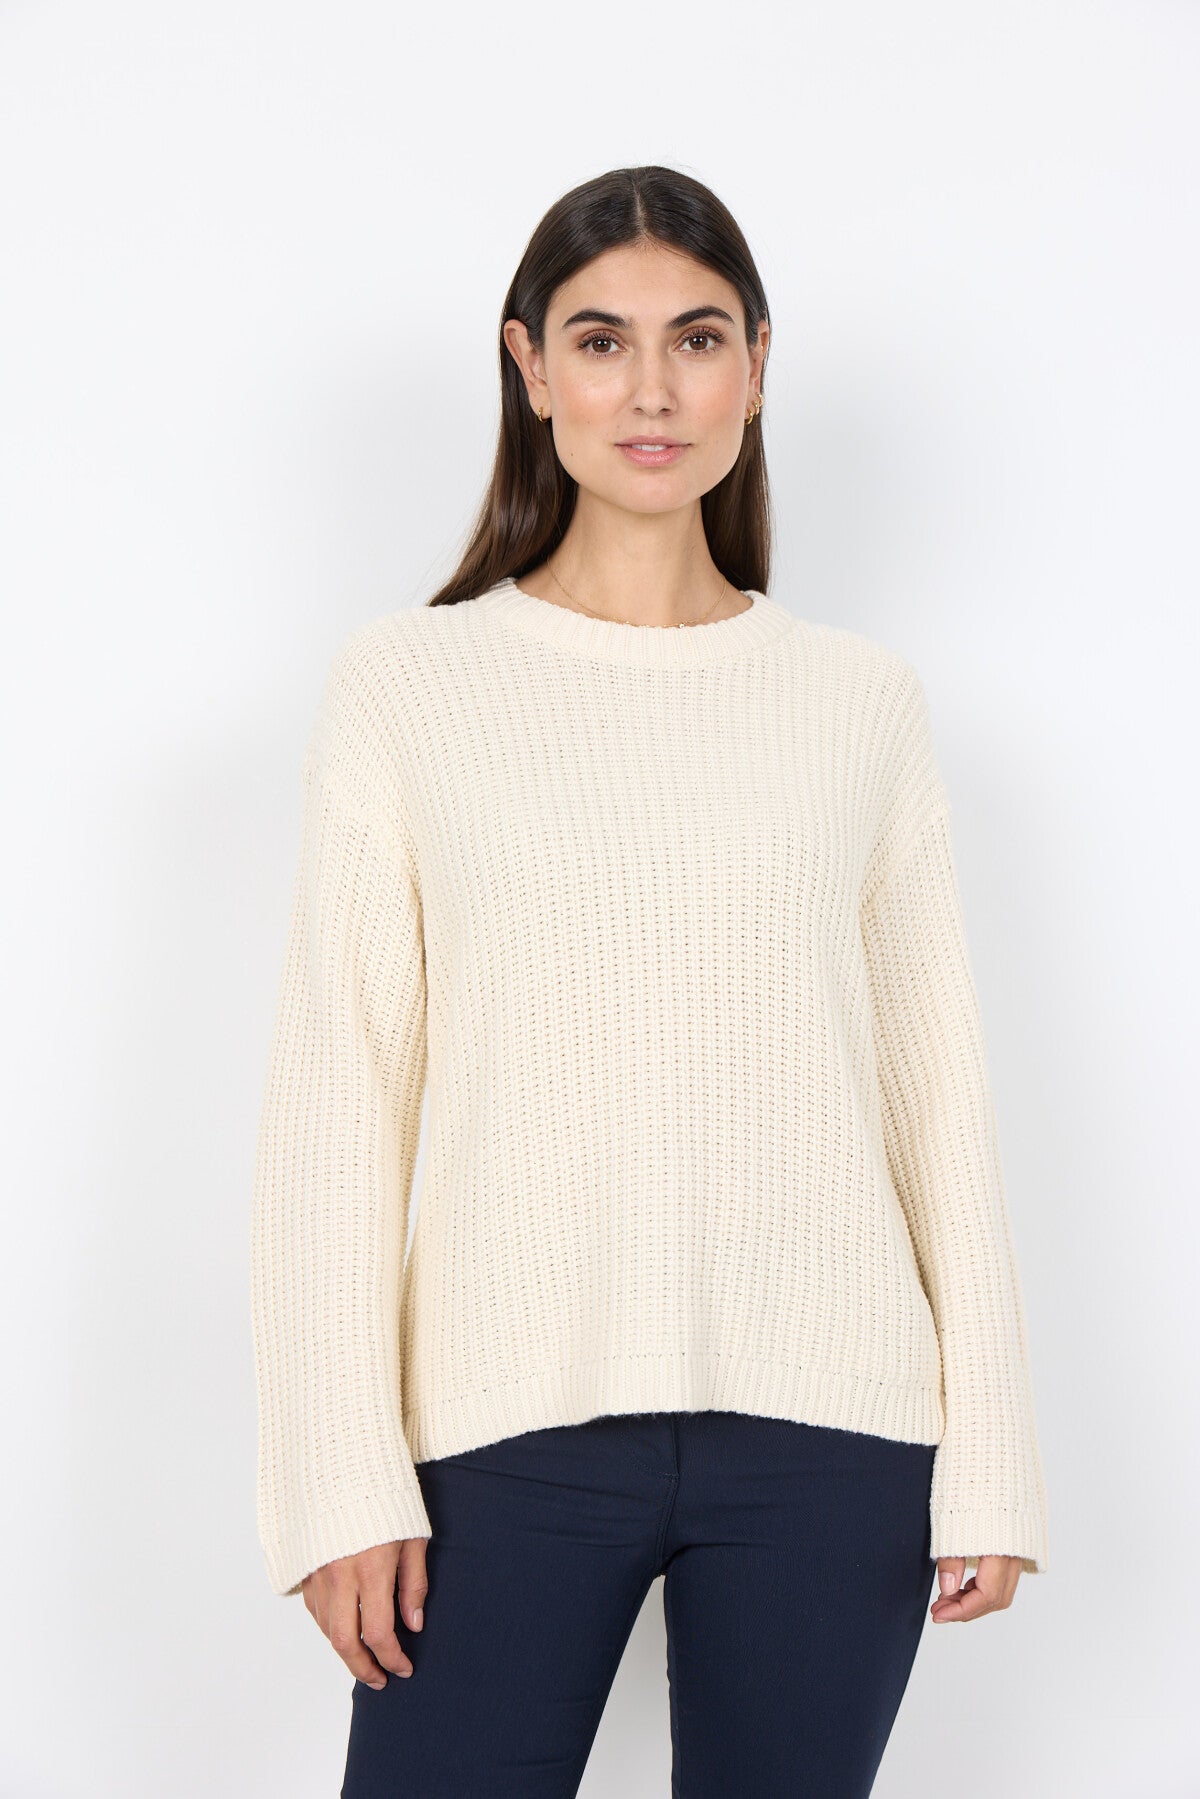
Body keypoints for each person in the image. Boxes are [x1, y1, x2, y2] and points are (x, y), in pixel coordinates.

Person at [250, 164, 1050, 1798]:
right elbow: (341, 1097)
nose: (654, 389)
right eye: (601, 342)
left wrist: (993, 1463)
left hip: (834, 1431)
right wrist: (337, 1476)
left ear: (756, 366)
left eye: (697, 339)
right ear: (531, 369)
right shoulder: (410, 686)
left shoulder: (859, 703)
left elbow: (938, 1103)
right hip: (503, 1424)